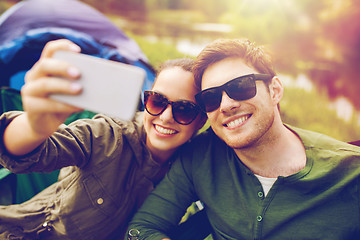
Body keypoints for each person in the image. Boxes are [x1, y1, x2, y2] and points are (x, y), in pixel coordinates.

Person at [128, 38, 360, 240]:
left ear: (275, 90)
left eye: (240, 87)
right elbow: (143, 229)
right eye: (211, 98)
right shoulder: (202, 156)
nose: (226, 105)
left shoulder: (351, 175)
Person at [0, 39, 209, 239]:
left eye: (184, 109)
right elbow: (32, 152)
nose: (165, 117)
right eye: (157, 101)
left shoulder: (195, 164)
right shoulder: (109, 135)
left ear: (201, 120)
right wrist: (34, 127)